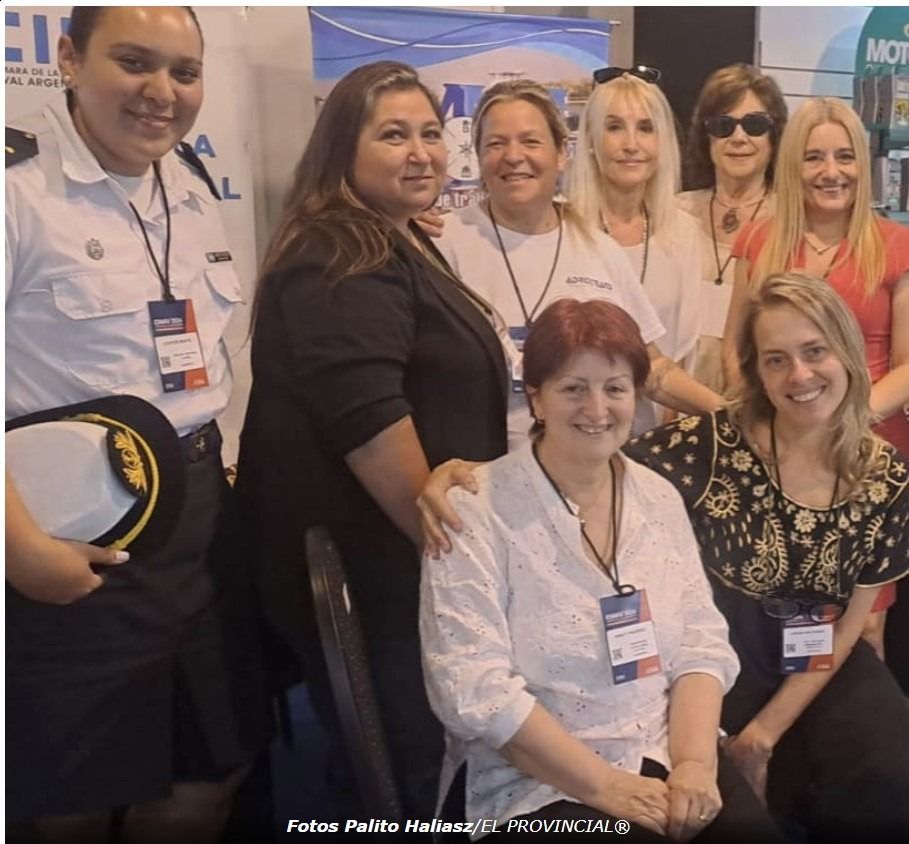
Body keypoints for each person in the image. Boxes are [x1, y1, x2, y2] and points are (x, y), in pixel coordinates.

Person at [419, 274, 909, 840]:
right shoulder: (698, 452)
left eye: (815, 351)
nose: (799, 375)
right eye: (776, 359)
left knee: (890, 777)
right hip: (667, 701)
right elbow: (578, 458)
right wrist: (456, 474)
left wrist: (733, 749)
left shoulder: (883, 471)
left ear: (846, 352)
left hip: (805, 659)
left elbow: (843, 622)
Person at [5, 7, 270, 842]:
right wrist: (18, 549)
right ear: (70, 59)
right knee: (70, 798)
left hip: (197, 526)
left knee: (206, 774)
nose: (162, 93)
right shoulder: (18, 192)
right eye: (134, 63)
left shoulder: (187, 181)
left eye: (184, 73)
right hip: (68, 532)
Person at [234, 60, 509, 819]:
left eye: (429, 132)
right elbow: (369, 423)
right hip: (384, 577)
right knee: (411, 782)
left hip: (411, 576)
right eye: (394, 135)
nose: (421, 151)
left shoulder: (394, 239)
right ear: (341, 150)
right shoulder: (339, 255)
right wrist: (462, 568)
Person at [431, 79, 721, 448]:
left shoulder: (598, 249)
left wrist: (728, 411)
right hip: (479, 475)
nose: (513, 155)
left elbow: (651, 368)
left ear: (561, 154)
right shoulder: (441, 243)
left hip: (585, 476)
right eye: (496, 143)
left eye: (530, 141)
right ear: (477, 156)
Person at [723, 96, 909, 661]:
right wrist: (775, 424)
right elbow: (737, 351)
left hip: (869, 455)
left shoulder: (896, 246)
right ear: (792, 167)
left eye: (845, 156)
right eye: (814, 158)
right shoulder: (760, 241)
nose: (831, 172)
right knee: (783, 616)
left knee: (865, 625)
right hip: (781, 456)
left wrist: (842, 424)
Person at [568, 66, 705, 426]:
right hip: (580, 426)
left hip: (658, 434)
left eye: (645, 128)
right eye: (614, 127)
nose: (631, 144)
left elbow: (682, 349)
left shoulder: (684, 233)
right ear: (592, 140)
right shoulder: (564, 230)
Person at [677, 64, 787, 395]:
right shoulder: (673, 214)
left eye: (754, 125)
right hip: (670, 398)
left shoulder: (792, 220)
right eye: (723, 125)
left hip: (761, 397)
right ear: (706, 137)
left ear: (774, 136)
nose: (739, 138)